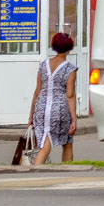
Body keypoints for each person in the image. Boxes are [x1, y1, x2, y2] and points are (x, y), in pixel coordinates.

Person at [29, 32, 78, 164]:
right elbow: (70, 95)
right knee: (65, 143)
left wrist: (31, 115)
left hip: (41, 107)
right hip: (59, 110)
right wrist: (74, 118)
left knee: (45, 142)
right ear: (69, 49)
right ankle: (38, 171)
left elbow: (37, 91)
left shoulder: (43, 65)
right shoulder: (70, 69)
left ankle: (35, 170)